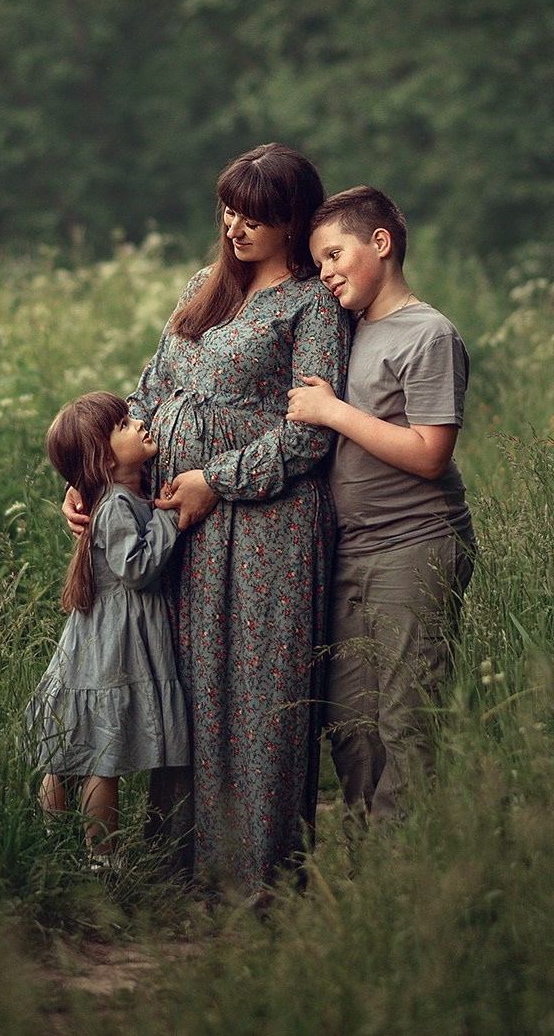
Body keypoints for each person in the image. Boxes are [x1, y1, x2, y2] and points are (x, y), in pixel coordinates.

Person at [71, 142, 350, 898]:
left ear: (292, 221)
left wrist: (215, 481)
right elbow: (148, 391)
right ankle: (177, 876)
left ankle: (256, 882)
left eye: (253, 216)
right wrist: (96, 481)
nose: (235, 228)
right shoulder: (204, 286)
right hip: (179, 527)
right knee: (184, 692)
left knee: (258, 697)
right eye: (228, 211)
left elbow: (309, 433)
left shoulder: (312, 303)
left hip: (267, 526)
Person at [286, 185, 473, 825]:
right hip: (350, 550)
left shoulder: (428, 334)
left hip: (414, 544)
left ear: (382, 243)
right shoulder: (347, 330)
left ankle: (406, 867)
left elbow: (430, 453)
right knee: (351, 725)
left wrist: (333, 412)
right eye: (319, 262)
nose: (325, 272)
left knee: (405, 719)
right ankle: (368, 860)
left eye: (334, 254)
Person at [26, 391, 192, 857]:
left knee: (69, 752)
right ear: (104, 458)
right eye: (123, 425)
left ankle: (54, 845)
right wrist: (169, 519)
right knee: (104, 756)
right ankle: (101, 860)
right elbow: (135, 568)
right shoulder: (117, 504)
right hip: (113, 644)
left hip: (95, 639)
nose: (138, 423)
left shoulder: (122, 494)